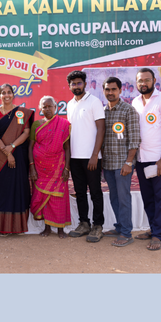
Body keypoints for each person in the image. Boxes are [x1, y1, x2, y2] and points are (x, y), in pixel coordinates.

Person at [132, 68, 161, 251]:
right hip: (141, 158)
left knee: (160, 197)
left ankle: (158, 234)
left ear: (154, 81)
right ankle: (154, 229)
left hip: (159, 159)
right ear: (136, 83)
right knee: (148, 197)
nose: (143, 83)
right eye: (140, 80)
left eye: (147, 80)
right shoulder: (135, 102)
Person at [0, 83, 34, 235]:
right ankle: (3, 226)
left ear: (13, 94)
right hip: (2, 156)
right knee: (4, 189)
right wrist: (8, 153)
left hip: (19, 154)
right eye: (3, 92)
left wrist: (12, 146)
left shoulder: (21, 112)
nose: (6, 95)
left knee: (19, 188)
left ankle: (17, 226)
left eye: (9, 92)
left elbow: (26, 132)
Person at [67, 70, 106, 242]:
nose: (76, 86)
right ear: (69, 86)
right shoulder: (70, 104)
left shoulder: (94, 101)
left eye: (79, 83)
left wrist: (95, 155)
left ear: (85, 84)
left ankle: (98, 225)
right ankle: (84, 223)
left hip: (92, 157)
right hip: (75, 157)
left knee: (95, 192)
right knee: (80, 192)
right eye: (73, 84)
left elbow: (101, 129)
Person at [102, 77, 141, 247]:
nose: (110, 92)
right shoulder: (102, 111)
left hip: (123, 164)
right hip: (108, 163)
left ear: (120, 90)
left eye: (113, 89)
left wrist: (129, 162)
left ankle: (126, 233)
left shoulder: (128, 110)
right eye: (107, 89)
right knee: (114, 197)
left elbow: (135, 139)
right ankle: (119, 226)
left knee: (123, 198)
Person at [28, 96, 71, 238]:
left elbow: (67, 148)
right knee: (43, 197)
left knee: (58, 199)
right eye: (44, 107)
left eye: (50, 106)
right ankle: (47, 228)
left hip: (58, 167)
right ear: (40, 108)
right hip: (40, 168)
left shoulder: (63, 124)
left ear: (55, 107)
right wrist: (32, 167)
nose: (47, 109)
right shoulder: (36, 124)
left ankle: (60, 229)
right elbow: (30, 147)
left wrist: (67, 169)